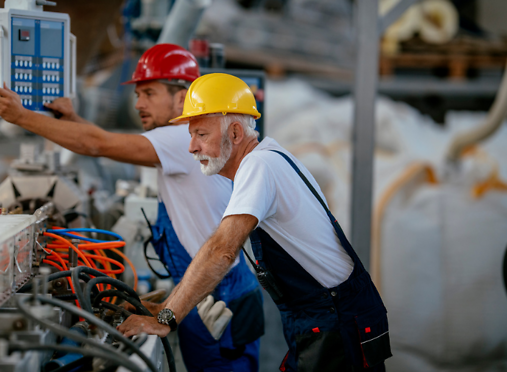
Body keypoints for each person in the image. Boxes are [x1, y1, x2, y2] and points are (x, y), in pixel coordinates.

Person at [0, 46, 263, 371]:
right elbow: (103, 140)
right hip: (209, 293)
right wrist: (73, 121)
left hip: (216, 300)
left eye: (149, 92)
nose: (138, 104)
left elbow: (99, 144)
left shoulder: (179, 137)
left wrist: (20, 116)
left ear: (182, 98)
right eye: (137, 94)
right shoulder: (181, 140)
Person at [118, 73, 393, 371]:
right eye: (191, 135)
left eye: (201, 134)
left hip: (337, 320)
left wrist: (166, 319)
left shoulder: (258, 166)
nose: (191, 147)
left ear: (235, 133)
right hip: (328, 316)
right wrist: (164, 306)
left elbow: (221, 249)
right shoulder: (269, 157)